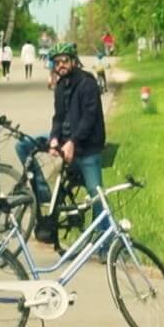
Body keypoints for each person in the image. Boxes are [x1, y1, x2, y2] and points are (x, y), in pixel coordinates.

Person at [46, 42, 107, 225]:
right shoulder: (60, 86)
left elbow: (89, 118)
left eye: (64, 61)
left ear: (74, 61)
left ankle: (105, 243)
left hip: (87, 147)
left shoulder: (87, 83)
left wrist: (72, 142)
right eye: (56, 63)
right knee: (25, 146)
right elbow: (58, 117)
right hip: (66, 143)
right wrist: (54, 138)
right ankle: (44, 199)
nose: (60, 66)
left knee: (96, 195)